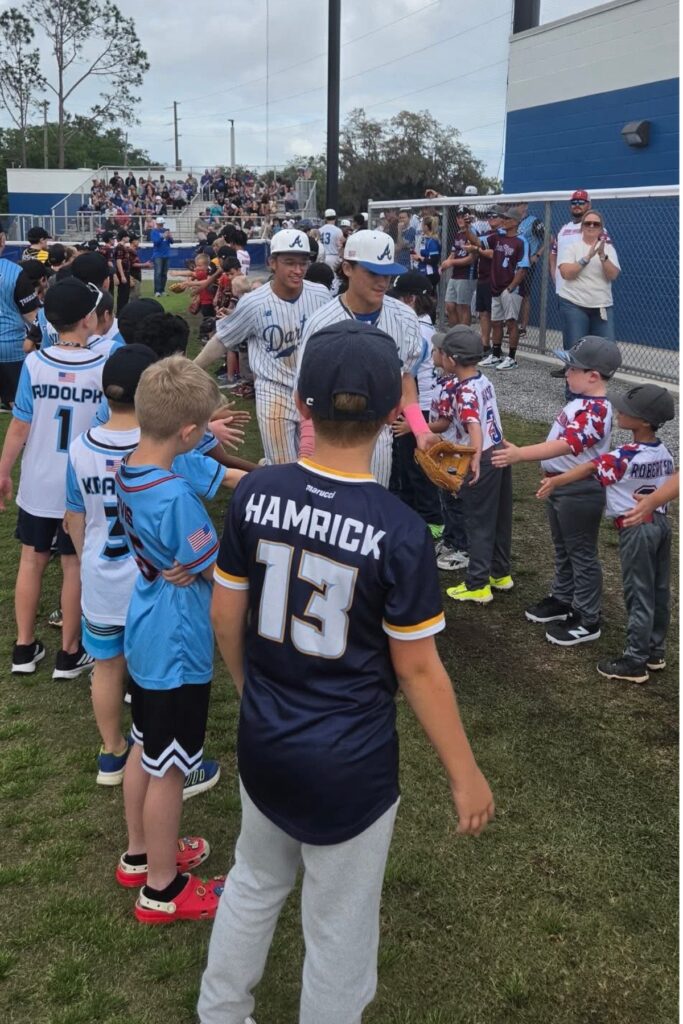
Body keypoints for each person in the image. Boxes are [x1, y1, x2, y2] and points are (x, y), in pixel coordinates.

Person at [197, 321, 494, 1024]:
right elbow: (418, 671)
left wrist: (251, 692)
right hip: (350, 757)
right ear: (396, 412)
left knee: (254, 882)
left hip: (268, 736)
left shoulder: (257, 493)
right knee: (339, 924)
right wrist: (463, 772)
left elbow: (223, 618)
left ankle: (220, 1012)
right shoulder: (396, 530)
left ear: (301, 404)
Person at [65, 344, 245, 787]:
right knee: (164, 730)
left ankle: (112, 751)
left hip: (106, 584)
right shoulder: (172, 477)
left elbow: (75, 518)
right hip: (164, 607)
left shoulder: (111, 459)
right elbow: (210, 564)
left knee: (110, 672)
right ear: (186, 431)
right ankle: (172, 780)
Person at [113, 356, 228, 924]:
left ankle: (141, 853)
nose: (207, 435)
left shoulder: (128, 465)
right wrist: (196, 565)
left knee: (144, 745)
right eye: (204, 428)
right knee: (170, 766)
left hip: (146, 623)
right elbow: (213, 565)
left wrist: (178, 562)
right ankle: (163, 888)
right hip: (177, 638)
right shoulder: (178, 495)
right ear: (187, 432)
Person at [0, 278, 107, 677]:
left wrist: (3, 470)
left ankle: (24, 648)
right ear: (86, 319)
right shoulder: (102, 365)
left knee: (31, 560)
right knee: (73, 565)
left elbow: (20, 425)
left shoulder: (35, 362)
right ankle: (69, 653)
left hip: (38, 480)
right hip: (80, 487)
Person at [537, 384, 675, 684]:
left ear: (645, 422)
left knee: (638, 593)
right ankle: (654, 651)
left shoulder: (624, 455)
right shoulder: (664, 451)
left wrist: (557, 481)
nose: (620, 411)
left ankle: (635, 660)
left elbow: (589, 468)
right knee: (658, 590)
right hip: (660, 524)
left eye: (629, 410)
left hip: (634, 529)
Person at [492, 336, 622, 646]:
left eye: (572, 367)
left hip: (579, 491)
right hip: (562, 487)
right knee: (563, 546)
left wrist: (521, 453)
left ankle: (588, 617)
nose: (566, 371)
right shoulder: (580, 400)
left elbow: (567, 444)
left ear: (593, 376)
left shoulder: (598, 410)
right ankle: (563, 598)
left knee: (581, 553)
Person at [297, 230, 426, 488]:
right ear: (347, 268)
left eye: (387, 274)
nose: (382, 282)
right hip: (328, 435)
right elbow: (306, 391)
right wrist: (308, 445)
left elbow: (405, 377)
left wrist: (421, 430)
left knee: (370, 513)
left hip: (378, 437)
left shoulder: (406, 318)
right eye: (372, 272)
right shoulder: (321, 322)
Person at [194, 229, 329, 465]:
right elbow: (223, 339)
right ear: (272, 263)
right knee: (282, 466)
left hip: (312, 390)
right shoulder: (254, 302)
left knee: (317, 464)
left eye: (303, 263)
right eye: (289, 263)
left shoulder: (321, 295)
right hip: (273, 391)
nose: (298, 270)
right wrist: (191, 368)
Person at [429, 326, 513, 604]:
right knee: (500, 518)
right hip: (498, 450)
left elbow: (472, 424)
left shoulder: (463, 390)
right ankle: (500, 574)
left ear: (451, 360)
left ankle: (477, 584)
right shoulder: (482, 379)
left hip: (483, 458)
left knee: (478, 521)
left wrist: (475, 455)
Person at [387, 271, 442, 531]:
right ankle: (410, 514)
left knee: (417, 468)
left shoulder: (416, 328)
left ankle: (431, 520)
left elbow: (408, 372)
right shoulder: (425, 324)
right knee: (406, 466)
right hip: (419, 400)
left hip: (419, 404)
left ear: (409, 300)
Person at [557, 209, 620, 350]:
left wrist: (602, 256)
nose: (591, 226)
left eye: (596, 224)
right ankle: (573, 372)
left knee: (606, 350)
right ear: (582, 227)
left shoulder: (609, 249)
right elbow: (566, 273)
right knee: (576, 349)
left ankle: (597, 373)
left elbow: (613, 275)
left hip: (601, 305)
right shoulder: (571, 246)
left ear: (601, 228)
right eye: (588, 223)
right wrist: (587, 257)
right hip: (574, 303)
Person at [478, 209, 530, 371]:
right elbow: (478, 242)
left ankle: (512, 358)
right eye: (503, 217)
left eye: (507, 218)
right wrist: (466, 230)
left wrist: (510, 288)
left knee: (511, 322)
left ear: (515, 222)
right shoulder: (498, 236)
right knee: (496, 322)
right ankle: (495, 355)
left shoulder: (521, 241)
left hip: (510, 289)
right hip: (496, 287)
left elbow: (522, 269)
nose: (503, 220)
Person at [0, 256, 42, 409]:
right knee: (18, 402)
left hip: (10, 346)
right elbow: (32, 315)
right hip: (10, 346)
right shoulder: (14, 271)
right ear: (2, 240)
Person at [548, 189, 592, 287]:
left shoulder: (594, 228)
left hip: (585, 291)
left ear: (589, 205)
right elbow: (553, 254)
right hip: (563, 290)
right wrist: (555, 276)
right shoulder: (564, 229)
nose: (577, 205)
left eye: (581, 202)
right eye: (574, 202)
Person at [441, 205, 476, 325]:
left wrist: (451, 262)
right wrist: (444, 265)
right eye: (458, 217)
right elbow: (453, 253)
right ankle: (455, 334)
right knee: (450, 305)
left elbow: (471, 259)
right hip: (455, 274)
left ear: (468, 218)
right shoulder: (458, 233)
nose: (460, 219)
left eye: (463, 217)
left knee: (463, 306)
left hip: (467, 275)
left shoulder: (472, 233)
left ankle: (464, 337)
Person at [515, 201, 545, 337]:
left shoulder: (533, 221)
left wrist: (537, 255)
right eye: (515, 204)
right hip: (513, 263)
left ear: (525, 206)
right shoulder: (512, 220)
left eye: (519, 204)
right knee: (512, 293)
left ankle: (523, 328)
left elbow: (549, 238)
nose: (516, 207)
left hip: (527, 263)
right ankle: (511, 324)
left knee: (525, 294)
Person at [150, 216, 174, 296]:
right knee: (158, 273)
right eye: (160, 224)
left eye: (162, 224)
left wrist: (170, 237)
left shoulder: (166, 230)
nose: (161, 226)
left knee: (164, 273)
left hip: (166, 254)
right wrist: (163, 236)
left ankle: (162, 290)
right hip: (158, 255)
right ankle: (157, 291)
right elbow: (156, 242)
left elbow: (172, 242)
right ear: (157, 224)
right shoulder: (154, 231)